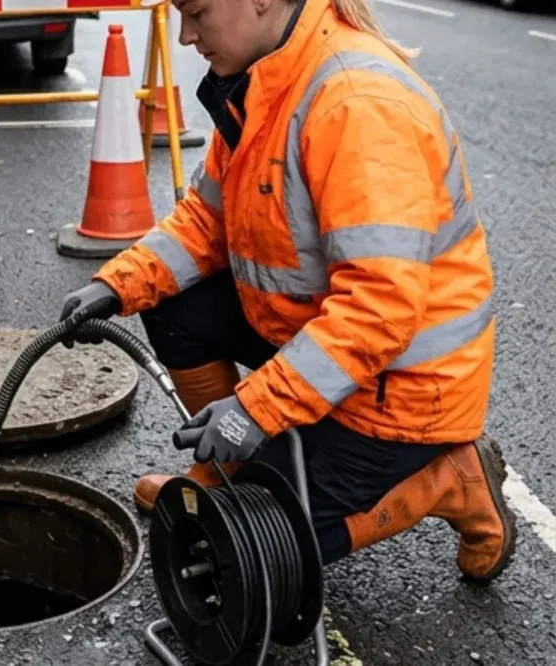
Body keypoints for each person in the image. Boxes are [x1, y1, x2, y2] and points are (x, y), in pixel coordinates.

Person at [59, 0, 517, 581]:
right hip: (327, 350)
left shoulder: (357, 105)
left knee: (243, 549)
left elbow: (378, 310)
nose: (185, 36)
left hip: (401, 395)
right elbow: (207, 220)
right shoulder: (263, 79)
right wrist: (116, 284)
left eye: (196, 13)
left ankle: (449, 479)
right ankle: (228, 466)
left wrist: (255, 408)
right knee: (169, 297)